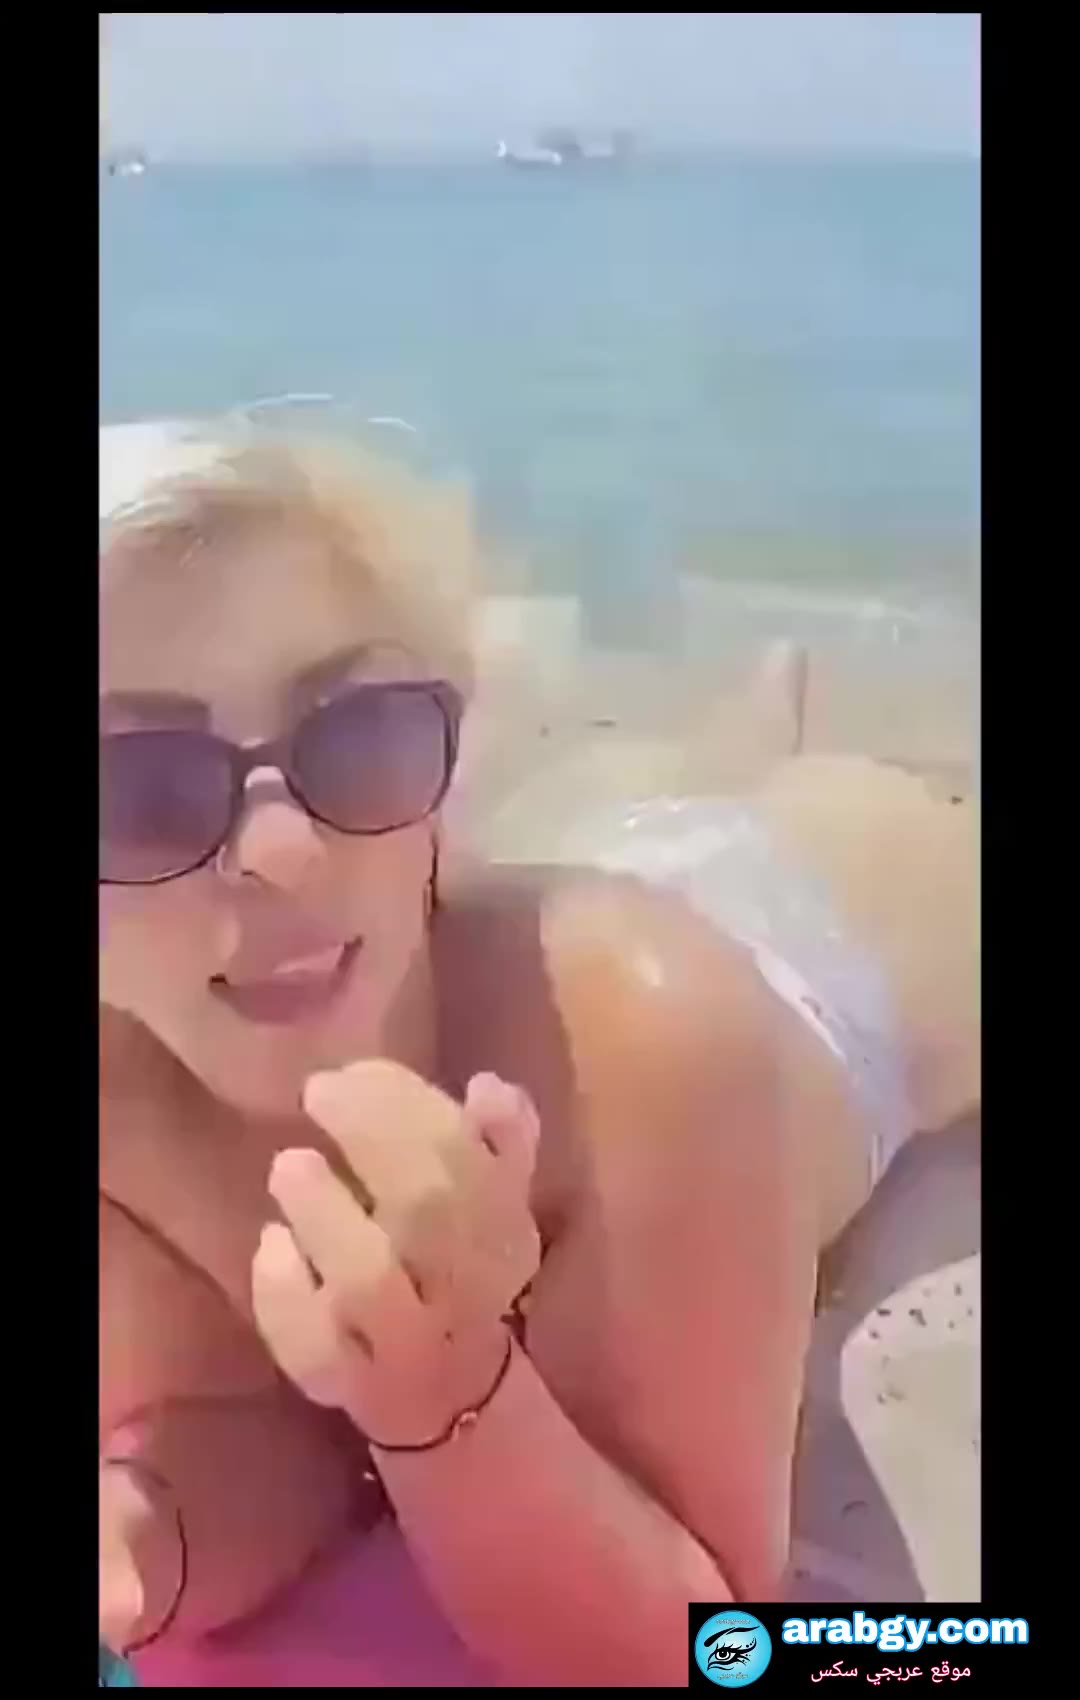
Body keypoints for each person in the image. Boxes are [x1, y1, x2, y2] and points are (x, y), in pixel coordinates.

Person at [99, 423, 979, 1687]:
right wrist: (143, 1542)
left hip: (843, 947)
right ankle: (741, 723)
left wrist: (445, 1387)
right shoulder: (121, 1104)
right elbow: (271, 1439)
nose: (285, 851)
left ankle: (777, 739)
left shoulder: (654, 1037)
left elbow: (716, 1649)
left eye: (359, 734)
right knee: (656, 784)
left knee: (884, 830)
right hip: (554, 888)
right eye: (138, 790)